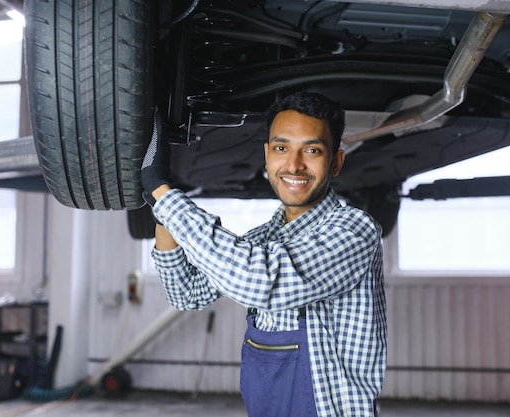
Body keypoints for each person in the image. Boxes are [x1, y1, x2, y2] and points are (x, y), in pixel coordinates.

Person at [141, 92, 387, 417]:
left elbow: (262, 283)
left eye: (312, 150)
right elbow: (187, 294)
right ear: (267, 156)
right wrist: (165, 220)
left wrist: (165, 195)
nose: (294, 165)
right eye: (281, 148)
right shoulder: (263, 239)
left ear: (336, 161)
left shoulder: (354, 231)